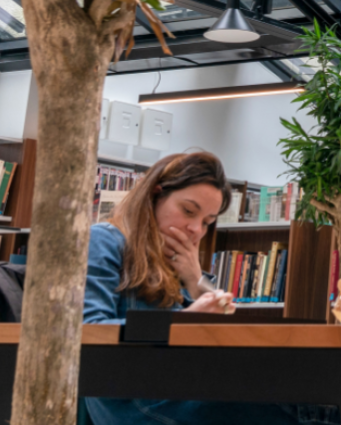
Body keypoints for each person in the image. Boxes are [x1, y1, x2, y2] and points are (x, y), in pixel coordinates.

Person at [82, 150, 322, 425]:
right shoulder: (105, 240)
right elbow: (89, 332)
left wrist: (196, 281)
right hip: (138, 399)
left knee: (309, 392)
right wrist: (183, 322)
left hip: (186, 386)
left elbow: (221, 331)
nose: (196, 228)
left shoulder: (178, 261)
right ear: (154, 196)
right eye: (188, 211)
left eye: (207, 222)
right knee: (307, 409)